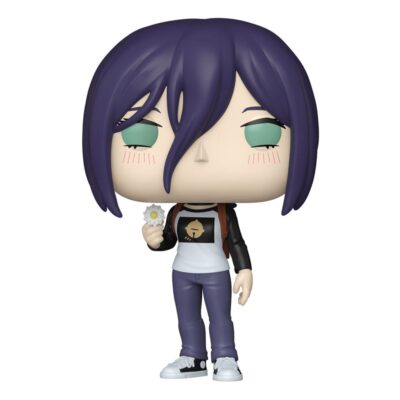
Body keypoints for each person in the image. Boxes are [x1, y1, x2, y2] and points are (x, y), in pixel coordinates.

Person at [82, 18, 319, 381]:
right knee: (187, 317)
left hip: (216, 272)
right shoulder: (176, 211)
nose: (200, 155)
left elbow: (235, 242)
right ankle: (192, 355)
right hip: (182, 272)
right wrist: (155, 240)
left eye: (262, 134)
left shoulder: (223, 213)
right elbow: (170, 239)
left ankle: (225, 356)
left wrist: (244, 269)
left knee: (220, 317)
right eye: (141, 134)